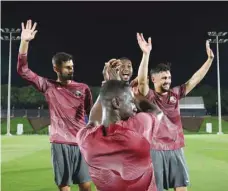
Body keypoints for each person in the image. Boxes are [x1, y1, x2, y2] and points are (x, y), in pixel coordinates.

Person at [17, 20, 93, 191]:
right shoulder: (48, 86)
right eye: (67, 68)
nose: (71, 70)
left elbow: (90, 113)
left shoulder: (83, 88)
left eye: (72, 67)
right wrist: (24, 42)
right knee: (65, 187)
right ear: (56, 68)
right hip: (60, 142)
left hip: (80, 143)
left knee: (86, 185)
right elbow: (23, 71)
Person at [134, 38, 214, 191]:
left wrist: (209, 60)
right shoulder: (149, 96)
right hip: (155, 149)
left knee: (181, 188)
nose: (168, 81)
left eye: (169, 78)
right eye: (164, 78)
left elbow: (194, 80)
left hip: (176, 148)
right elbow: (142, 82)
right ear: (154, 79)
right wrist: (146, 54)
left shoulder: (175, 94)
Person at [77, 80, 163, 191]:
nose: (134, 107)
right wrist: (137, 96)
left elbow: (93, 120)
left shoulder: (85, 139)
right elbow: (157, 112)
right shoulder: (138, 126)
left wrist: (106, 88)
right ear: (116, 103)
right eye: (131, 101)